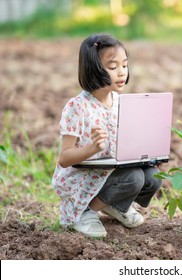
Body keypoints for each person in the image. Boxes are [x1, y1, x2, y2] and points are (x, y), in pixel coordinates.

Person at [52, 34, 162, 238]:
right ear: (93, 69)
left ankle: (117, 206)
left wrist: (148, 153)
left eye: (125, 65)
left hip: (109, 170)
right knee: (134, 177)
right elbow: (64, 158)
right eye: (113, 67)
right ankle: (84, 213)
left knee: (153, 176)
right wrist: (92, 148)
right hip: (82, 177)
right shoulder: (77, 107)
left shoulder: (120, 102)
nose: (121, 73)